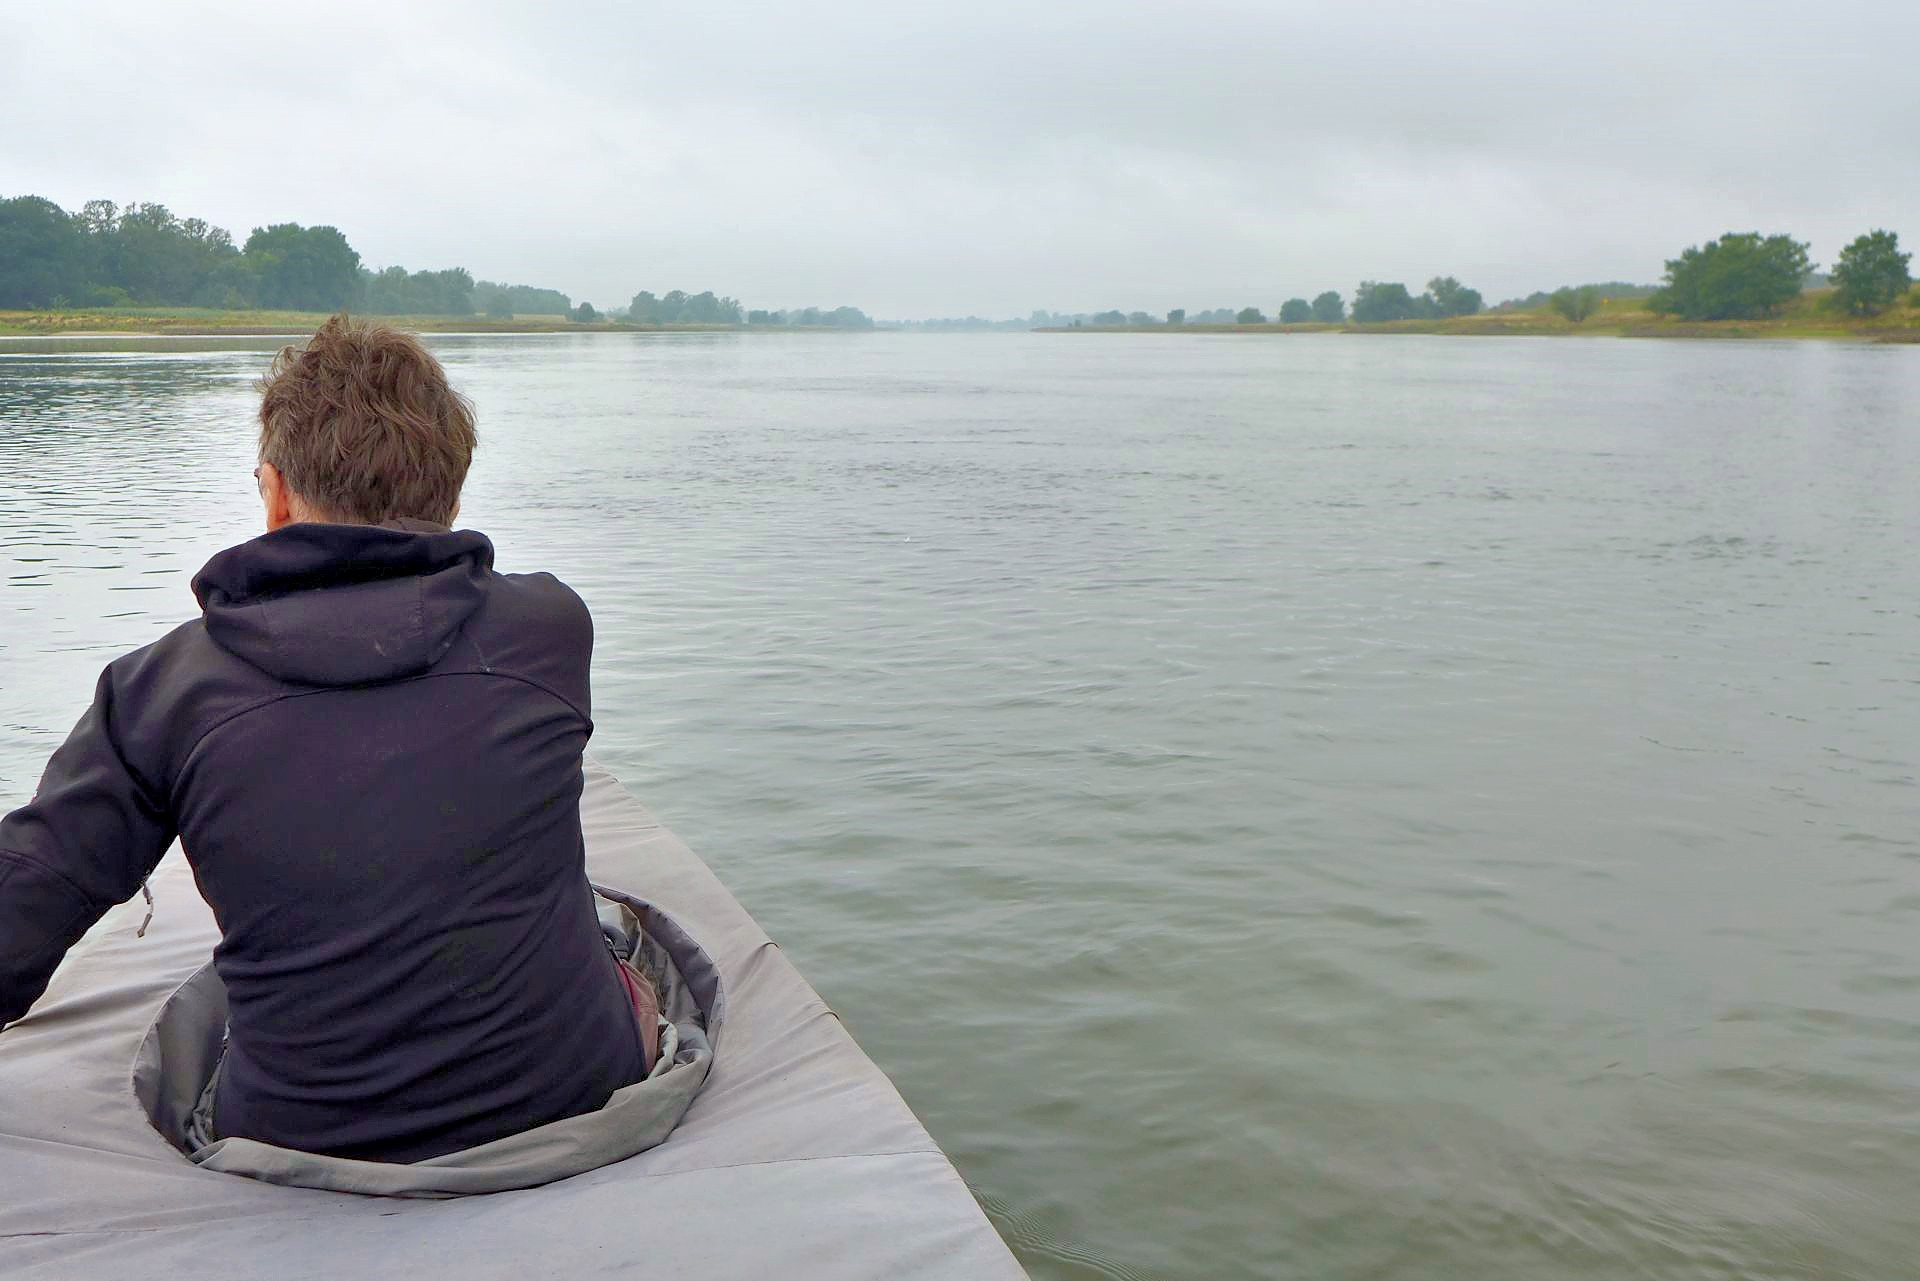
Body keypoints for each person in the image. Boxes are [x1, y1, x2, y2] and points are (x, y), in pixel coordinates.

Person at [0, 316, 653, 1162]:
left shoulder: (158, 690)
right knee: (617, 935)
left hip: (297, 1136)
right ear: (451, 499)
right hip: (577, 1091)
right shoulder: (551, 627)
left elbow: (29, 900)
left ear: (274, 494)